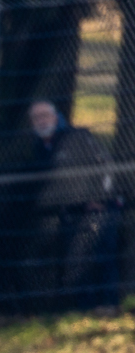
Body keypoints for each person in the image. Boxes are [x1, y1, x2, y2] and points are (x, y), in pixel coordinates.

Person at [27, 100, 118, 309]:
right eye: (36, 117)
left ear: (55, 116)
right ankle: (83, 309)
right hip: (66, 215)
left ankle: (109, 306)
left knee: (101, 259)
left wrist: (99, 198)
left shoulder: (78, 137)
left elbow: (105, 166)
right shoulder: (39, 148)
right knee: (74, 263)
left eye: (45, 115)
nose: (41, 121)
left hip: (95, 211)